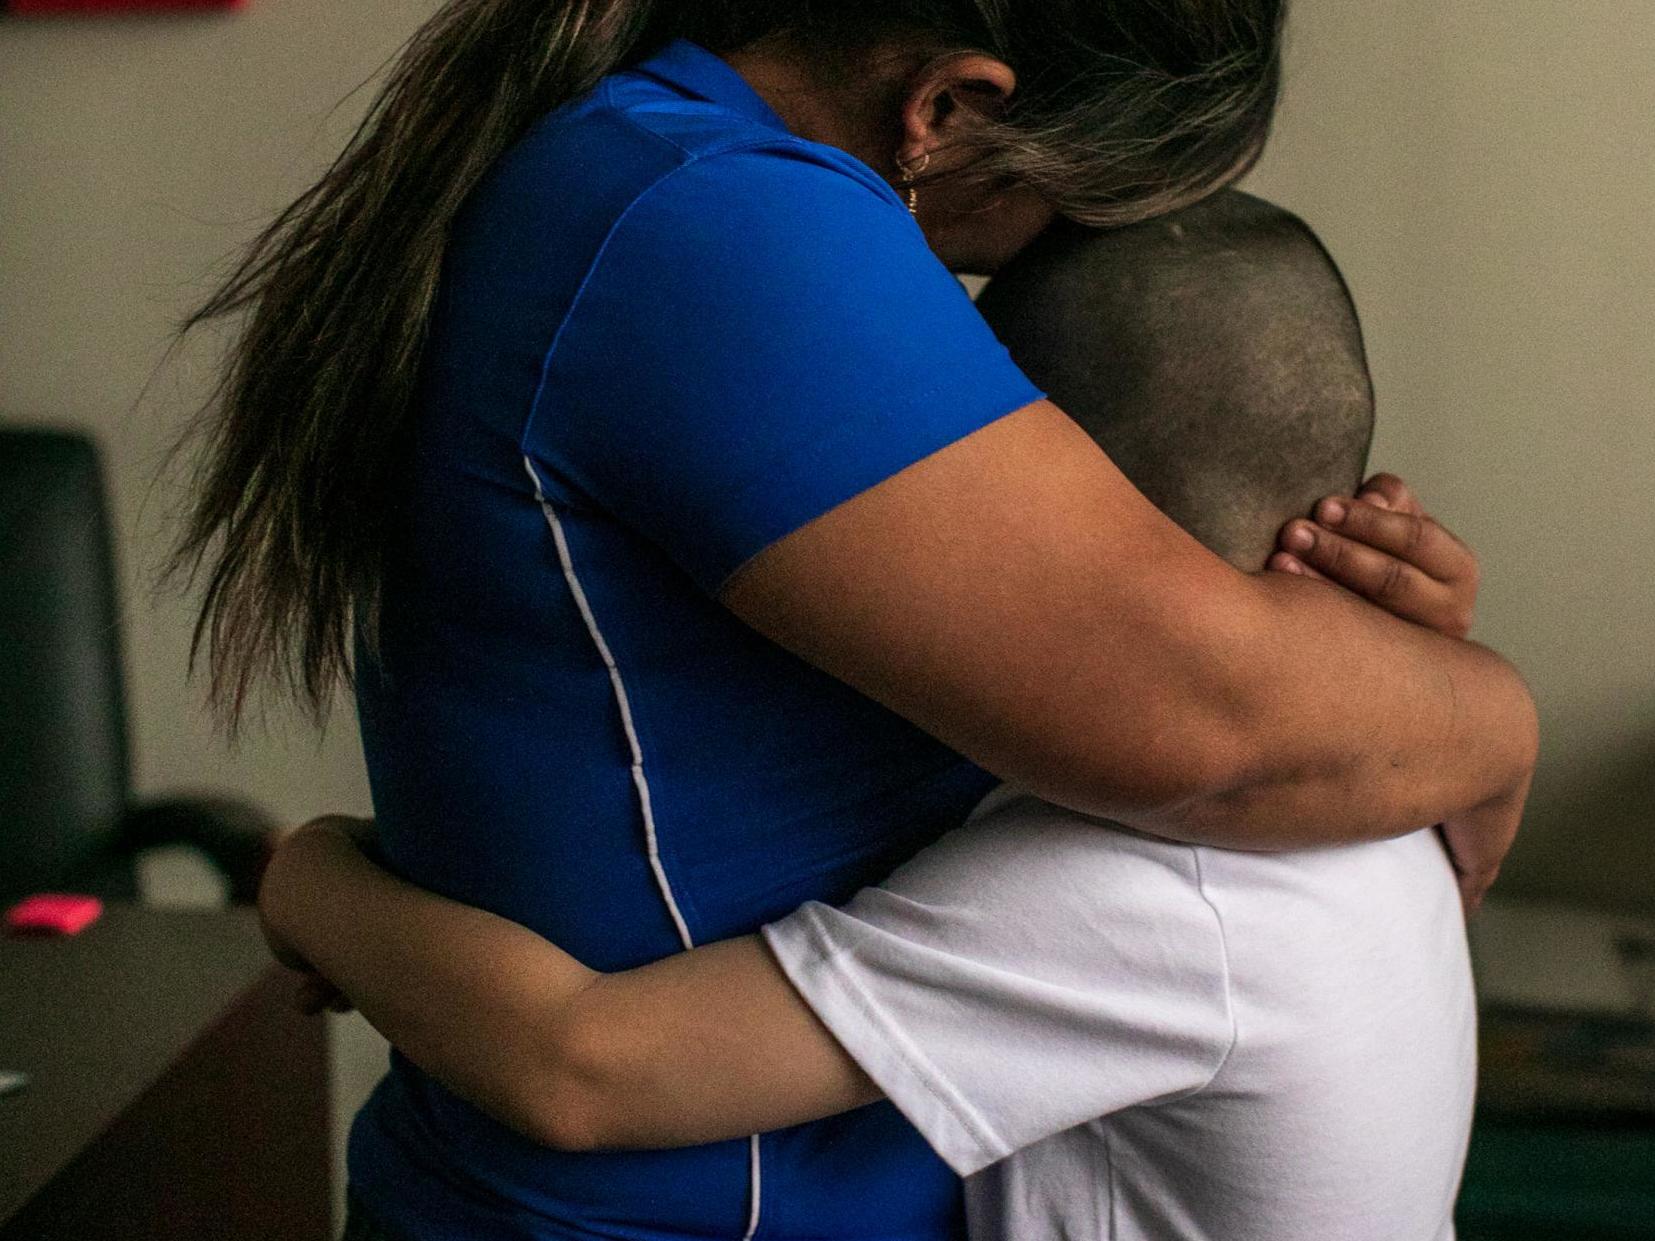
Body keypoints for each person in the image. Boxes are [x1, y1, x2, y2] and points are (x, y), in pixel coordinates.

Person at [172, 4, 1536, 1239]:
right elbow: (1215, 722)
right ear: (949, 110)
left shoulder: (657, 182)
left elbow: (1169, 704)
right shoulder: (727, 221)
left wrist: (311, 881)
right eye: (1049, 225)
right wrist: (1478, 717)